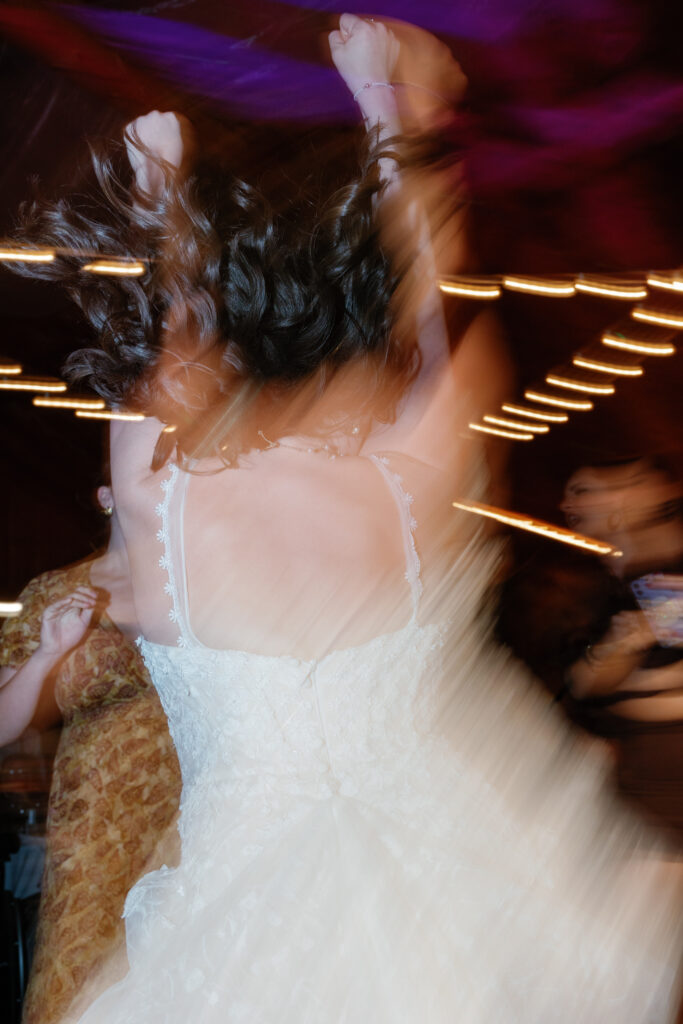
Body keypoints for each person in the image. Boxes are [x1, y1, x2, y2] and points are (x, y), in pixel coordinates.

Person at [15, 16, 683, 1022]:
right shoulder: (419, 470)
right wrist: (394, 119)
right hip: (476, 907)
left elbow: (161, 340)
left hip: (237, 944)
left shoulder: (161, 495)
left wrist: (162, 208)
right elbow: (431, 303)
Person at [0, 483, 181, 1024]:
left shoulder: (201, 590)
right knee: (82, 985)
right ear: (109, 494)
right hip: (95, 831)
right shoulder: (58, 590)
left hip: (192, 819)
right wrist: (49, 655)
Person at [558, 456, 683, 843]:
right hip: (636, 775)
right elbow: (582, 684)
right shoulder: (598, 585)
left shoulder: (663, 567)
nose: (568, 506)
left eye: (583, 491)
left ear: (639, 489)